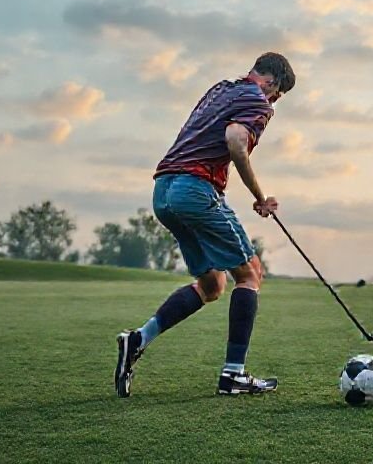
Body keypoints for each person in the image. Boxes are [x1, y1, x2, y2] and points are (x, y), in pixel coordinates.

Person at [114, 52, 294, 397]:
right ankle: (233, 375)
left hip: (164, 191)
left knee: (212, 284)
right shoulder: (258, 100)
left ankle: (138, 339)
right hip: (195, 189)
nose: (274, 102)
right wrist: (259, 196)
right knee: (250, 273)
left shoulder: (220, 90)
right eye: (279, 94)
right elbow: (236, 141)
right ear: (273, 83)